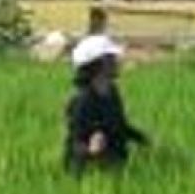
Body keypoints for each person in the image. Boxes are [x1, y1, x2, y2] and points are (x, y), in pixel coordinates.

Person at [63, 35, 150, 174]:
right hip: (88, 172)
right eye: (111, 58)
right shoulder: (81, 101)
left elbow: (119, 125)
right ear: (98, 64)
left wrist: (143, 140)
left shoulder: (112, 92)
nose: (117, 62)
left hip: (116, 165)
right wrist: (90, 149)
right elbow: (75, 143)